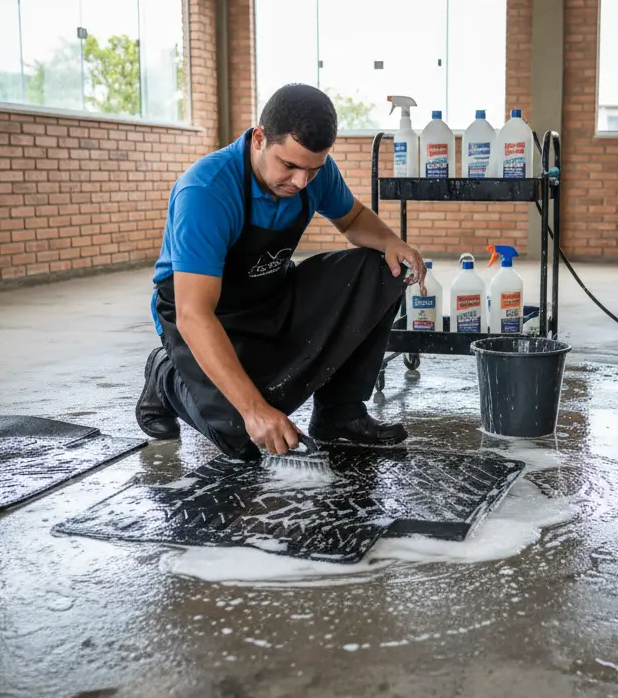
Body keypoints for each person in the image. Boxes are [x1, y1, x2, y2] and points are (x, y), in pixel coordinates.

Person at [135, 83, 426, 459]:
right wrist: (254, 411)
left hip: (269, 293)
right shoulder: (205, 192)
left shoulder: (313, 172)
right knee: (245, 434)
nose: (301, 182)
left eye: (312, 169)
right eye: (289, 166)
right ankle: (164, 375)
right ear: (259, 138)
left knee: (382, 268)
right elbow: (195, 314)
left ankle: (341, 413)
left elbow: (352, 218)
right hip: (205, 314)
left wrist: (390, 241)